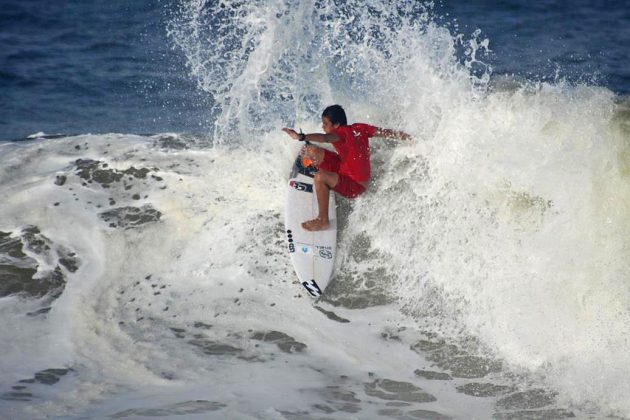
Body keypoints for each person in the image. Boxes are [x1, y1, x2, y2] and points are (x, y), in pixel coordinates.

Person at [283, 104, 411, 231]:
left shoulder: (339, 134)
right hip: (344, 168)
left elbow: (325, 138)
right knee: (310, 150)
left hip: (355, 186)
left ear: (336, 125)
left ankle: (323, 220)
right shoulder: (360, 128)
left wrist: (301, 137)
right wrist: (408, 137)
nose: (323, 126)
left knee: (320, 177)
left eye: (326, 124)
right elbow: (386, 132)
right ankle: (324, 181)